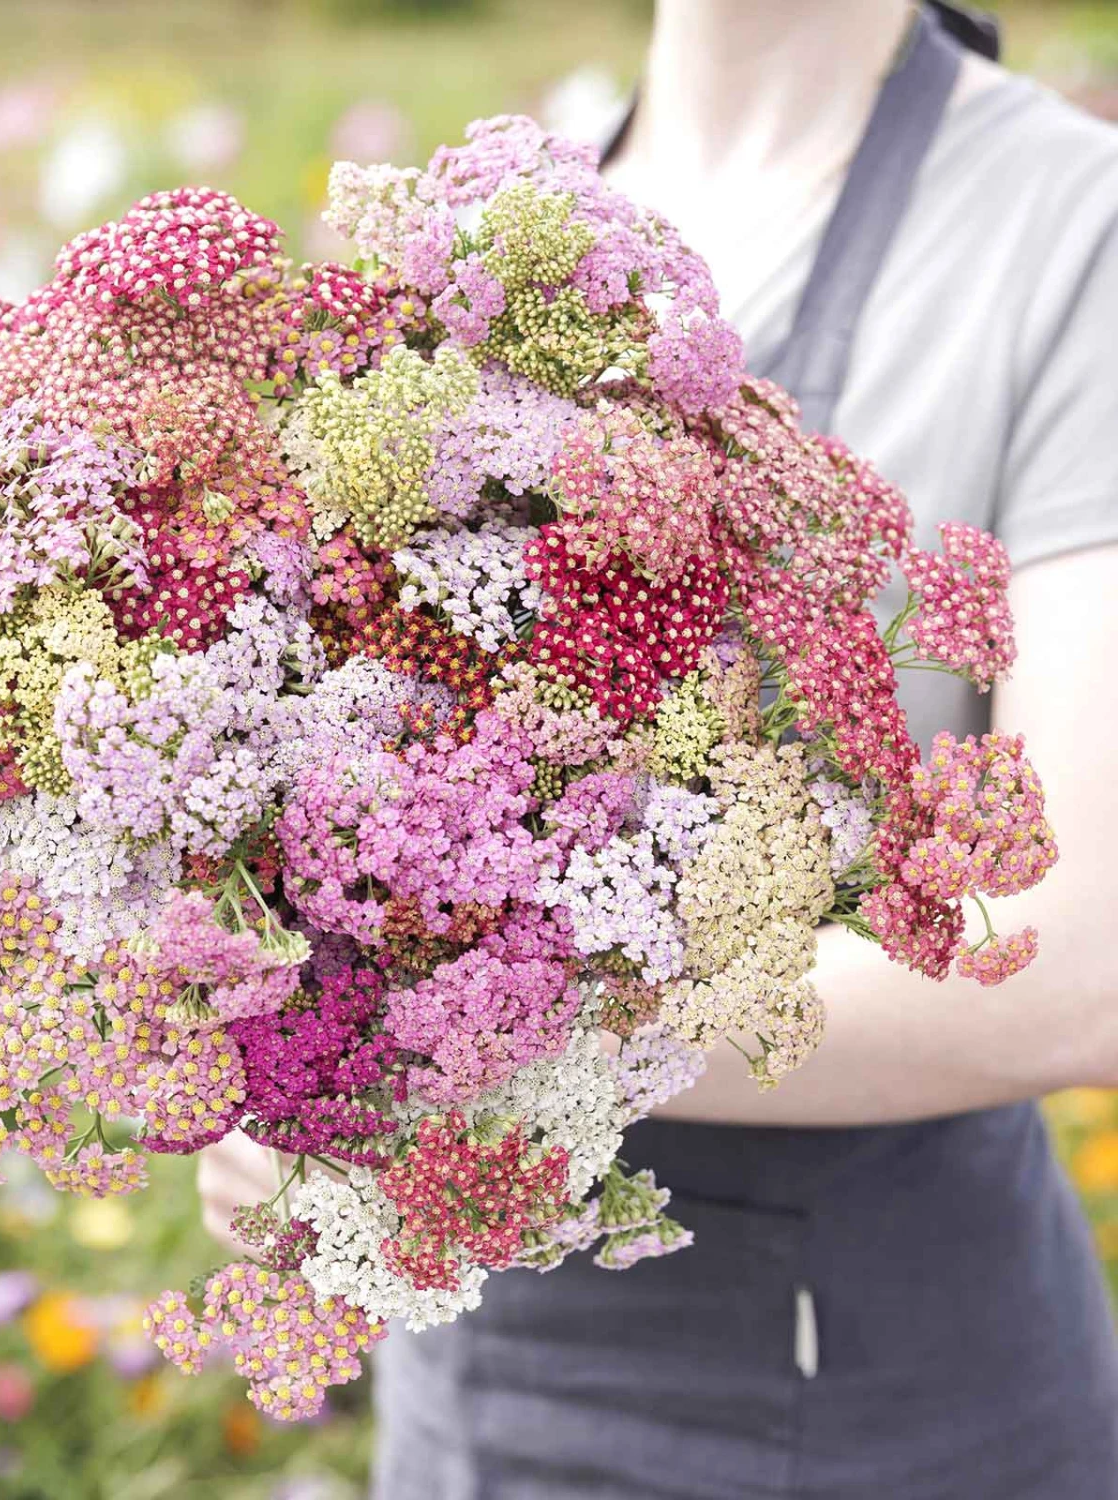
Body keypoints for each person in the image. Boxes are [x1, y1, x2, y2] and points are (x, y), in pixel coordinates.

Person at [200, 3, 1118, 1493]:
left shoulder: (1072, 232)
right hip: (468, 1404)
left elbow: (1080, 963)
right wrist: (265, 1064)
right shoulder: (478, 232)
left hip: (873, 1409)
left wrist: (436, 1052)